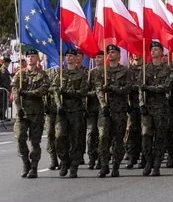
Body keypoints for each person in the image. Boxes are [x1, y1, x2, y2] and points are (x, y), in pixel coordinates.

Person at [95, 45, 133, 178]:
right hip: (105, 110)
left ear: (118, 55)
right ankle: (104, 165)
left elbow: (127, 88)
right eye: (109, 53)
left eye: (113, 52)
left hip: (120, 110)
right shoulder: (102, 72)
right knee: (103, 137)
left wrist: (112, 89)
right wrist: (103, 105)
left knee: (118, 139)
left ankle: (116, 165)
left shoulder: (126, 71)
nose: (110, 55)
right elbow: (99, 90)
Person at [12, 48, 49, 178]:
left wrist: (28, 93)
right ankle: (25, 162)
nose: (30, 58)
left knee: (35, 142)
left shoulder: (42, 75)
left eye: (33, 56)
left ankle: (34, 167)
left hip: (36, 113)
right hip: (22, 113)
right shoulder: (19, 74)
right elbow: (15, 91)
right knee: (20, 137)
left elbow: (43, 90)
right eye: (28, 57)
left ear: (37, 59)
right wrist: (18, 107)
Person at [53, 48, 88, 178]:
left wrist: (68, 93)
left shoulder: (81, 74)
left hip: (76, 111)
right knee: (60, 137)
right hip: (63, 111)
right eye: (67, 55)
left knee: (76, 139)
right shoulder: (61, 73)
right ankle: (64, 161)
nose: (69, 57)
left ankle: (74, 165)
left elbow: (83, 91)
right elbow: (55, 90)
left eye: (71, 56)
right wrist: (58, 105)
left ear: (75, 58)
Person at [139, 41, 171, 176]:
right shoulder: (145, 69)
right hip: (147, 107)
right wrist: (141, 104)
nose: (153, 51)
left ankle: (157, 164)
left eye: (156, 49)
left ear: (161, 53)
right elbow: (140, 88)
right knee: (146, 135)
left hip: (161, 108)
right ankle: (148, 161)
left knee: (160, 136)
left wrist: (150, 88)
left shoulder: (167, 69)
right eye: (152, 49)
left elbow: (166, 86)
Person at [125, 54, 144, 169]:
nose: (136, 54)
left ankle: (144, 158)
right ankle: (132, 156)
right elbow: (126, 86)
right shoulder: (127, 71)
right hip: (131, 105)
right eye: (133, 52)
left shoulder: (147, 69)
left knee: (145, 132)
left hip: (146, 105)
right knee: (132, 131)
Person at [86, 51, 104, 169]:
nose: (97, 59)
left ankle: (102, 158)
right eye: (96, 57)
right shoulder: (90, 73)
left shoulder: (108, 72)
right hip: (92, 107)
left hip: (105, 108)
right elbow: (85, 90)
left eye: (99, 57)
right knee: (91, 132)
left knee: (102, 133)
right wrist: (97, 93)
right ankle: (92, 157)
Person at [0, 57, 11, 121]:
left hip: (5, 89)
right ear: (5, 63)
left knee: (4, 103)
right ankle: (2, 116)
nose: (8, 64)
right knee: (2, 104)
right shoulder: (2, 70)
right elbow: (3, 80)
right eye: (8, 63)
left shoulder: (5, 70)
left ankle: (2, 115)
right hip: (3, 89)